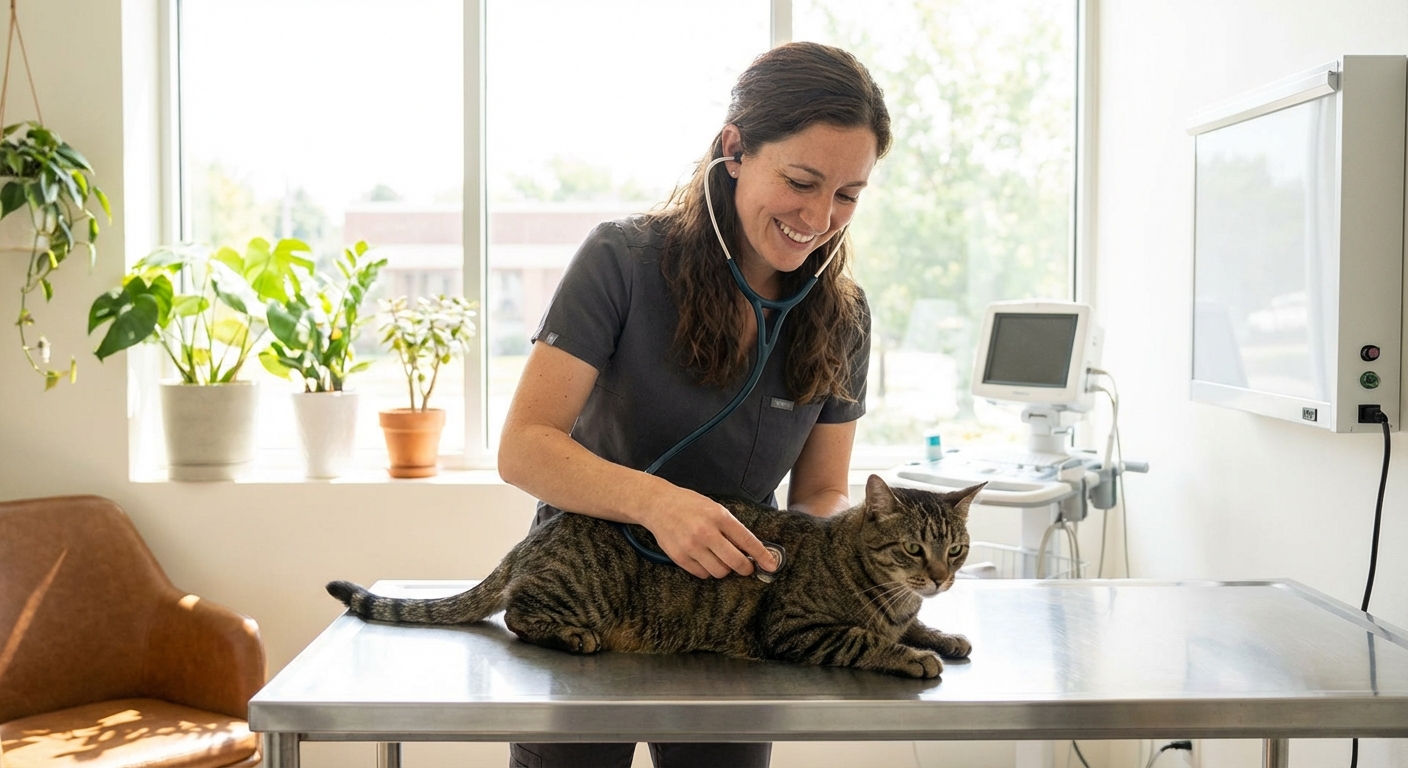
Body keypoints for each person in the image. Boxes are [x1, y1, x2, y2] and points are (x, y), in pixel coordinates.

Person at [496, 41, 891, 768]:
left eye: (847, 195)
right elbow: (524, 445)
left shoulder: (844, 317)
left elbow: (823, 493)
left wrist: (868, 563)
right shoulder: (622, 261)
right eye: (801, 180)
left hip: (734, 619)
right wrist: (658, 503)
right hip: (592, 595)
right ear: (735, 149)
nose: (820, 216)